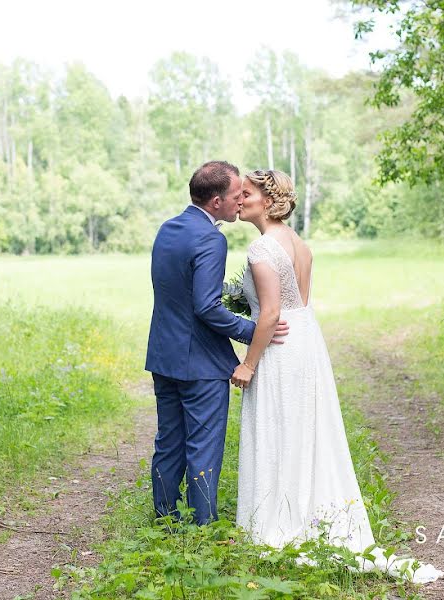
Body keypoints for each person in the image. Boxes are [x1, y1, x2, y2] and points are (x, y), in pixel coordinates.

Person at [230, 169, 443, 583]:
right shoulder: (299, 245)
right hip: (306, 343)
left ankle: (278, 520)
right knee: (305, 430)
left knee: (279, 429)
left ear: (268, 199)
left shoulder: (260, 249)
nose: (239, 200)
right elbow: (299, 304)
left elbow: (272, 314)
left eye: (247, 194)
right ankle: (305, 511)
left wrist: (248, 364)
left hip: (279, 347)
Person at [145, 161, 289, 525]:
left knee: (169, 441)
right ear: (215, 202)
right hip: (200, 363)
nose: (240, 200)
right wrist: (254, 330)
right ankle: (202, 527)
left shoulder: (167, 229)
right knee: (203, 448)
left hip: (164, 355)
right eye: (235, 194)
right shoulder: (211, 238)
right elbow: (206, 306)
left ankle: (164, 518)